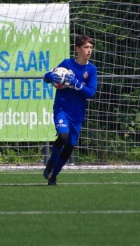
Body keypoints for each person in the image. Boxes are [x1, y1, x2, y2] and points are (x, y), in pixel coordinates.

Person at [42, 35, 98, 186]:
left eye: (91, 48)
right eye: (86, 47)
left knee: (70, 146)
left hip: (77, 113)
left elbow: (91, 93)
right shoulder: (67, 64)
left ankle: (53, 176)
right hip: (62, 108)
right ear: (78, 49)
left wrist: (77, 84)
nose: (89, 50)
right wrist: (48, 76)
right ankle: (50, 164)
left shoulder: (91, 69)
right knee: (63, 136)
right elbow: (49, 77)